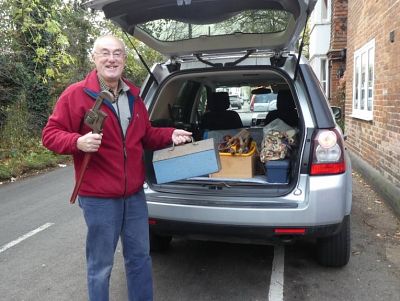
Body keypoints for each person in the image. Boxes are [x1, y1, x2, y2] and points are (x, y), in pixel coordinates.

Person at [42, 34, 192, 301]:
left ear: (124, 58)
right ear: (94, 58)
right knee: (100, 267)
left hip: (133, 196)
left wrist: (170, 135)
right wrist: (77, 141)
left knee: (140, 259)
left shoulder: (133, 94)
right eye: (105, 53)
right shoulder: (76, 95)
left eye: (117, 53)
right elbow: (50, 135)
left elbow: (144, 135)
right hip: (99, 199)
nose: (111, 59)